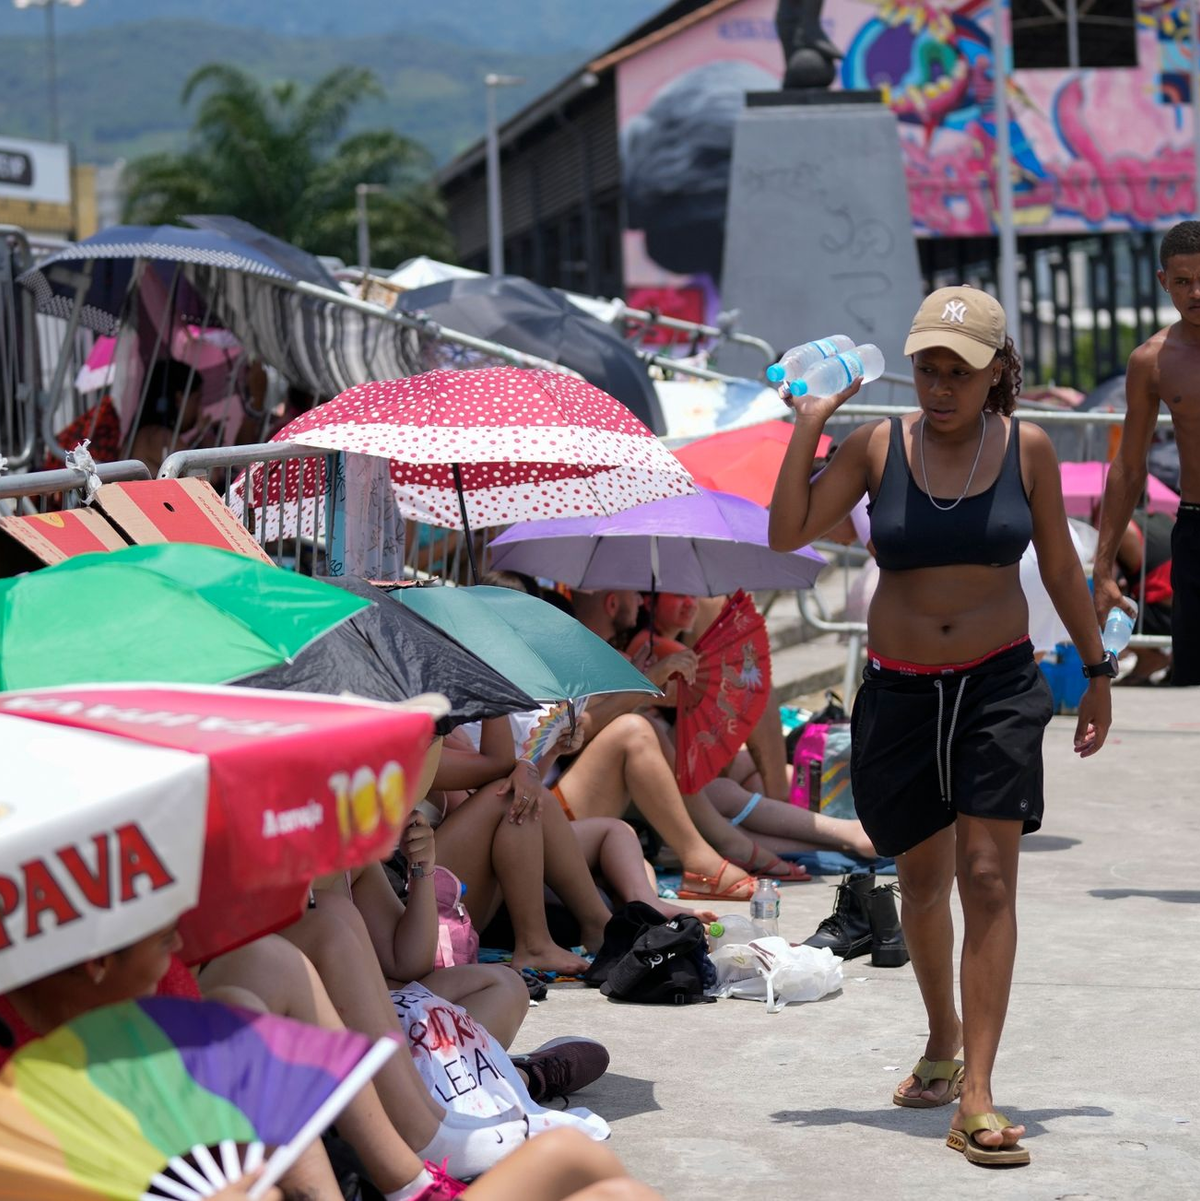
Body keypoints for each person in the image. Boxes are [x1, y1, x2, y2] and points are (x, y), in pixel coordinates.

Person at [769, 284, 1112, 1168]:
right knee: (921, 883)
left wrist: (1099, 669)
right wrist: (810, 420)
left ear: (998, 371)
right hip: (902, 691)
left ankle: (978, 1095)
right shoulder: (877, 446)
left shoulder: (1026, 448)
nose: (939, 385)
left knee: (989, 879)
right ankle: (942, 1035)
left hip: (998, 685)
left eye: (959, 369)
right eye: (927, 366)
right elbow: (784, 533)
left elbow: (1065, 570)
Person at [1094, 219, 1200, 685]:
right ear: (1164, 283)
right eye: (1183, 282)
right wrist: (1102, 569)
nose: (1196, 292)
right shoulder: (1152, 361)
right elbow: (1128, 469)